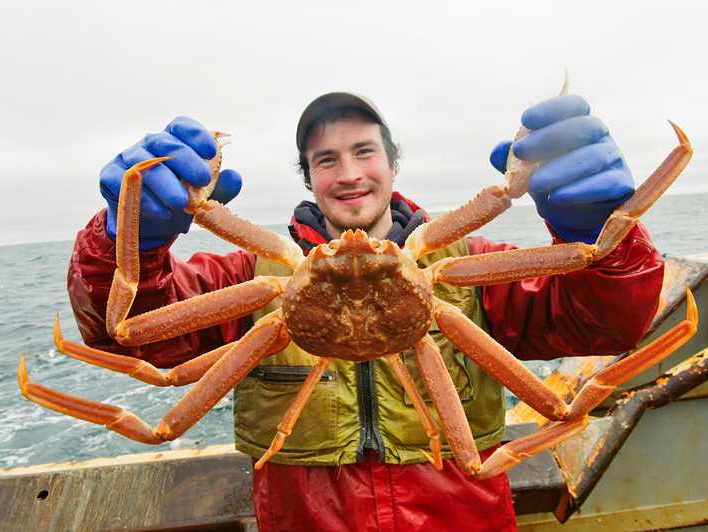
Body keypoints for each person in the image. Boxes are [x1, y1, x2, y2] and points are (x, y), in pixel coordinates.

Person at [68, 92, 664, 531]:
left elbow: (604, 321)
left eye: (363, 152)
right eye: (326, 160)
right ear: (309, 177)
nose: (349, 173)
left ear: (391, 164)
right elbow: (134, 340)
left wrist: (598, 237)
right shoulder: (255, 277)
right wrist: (131, 243)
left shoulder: (467, 268)